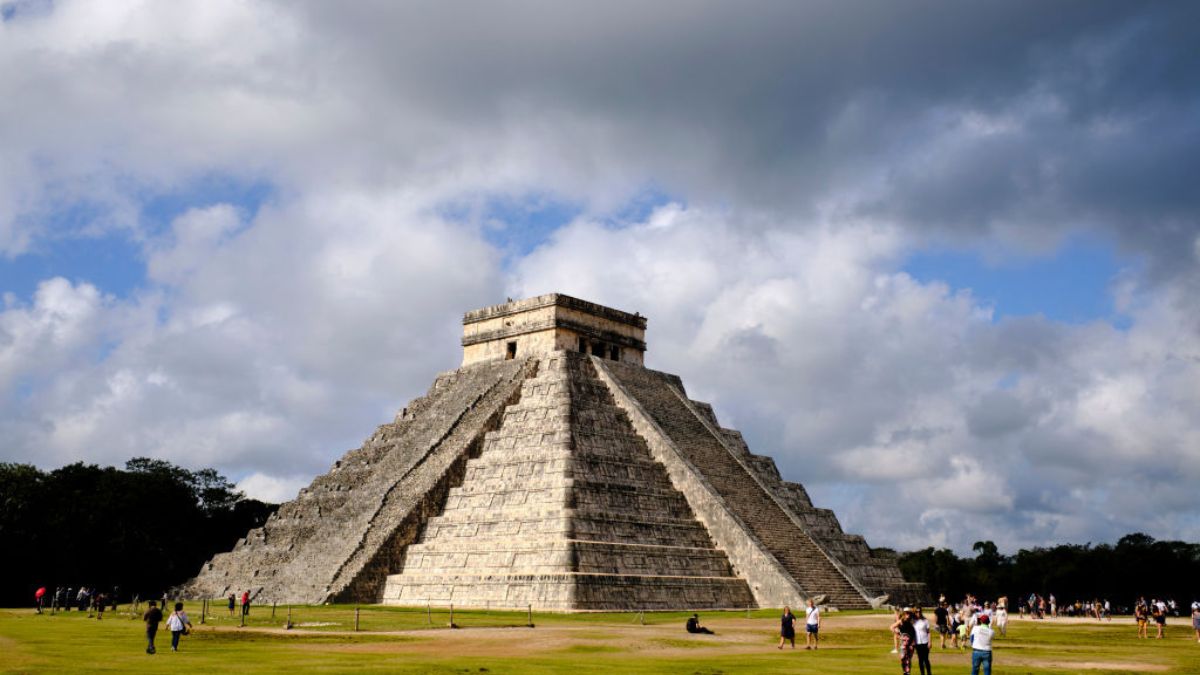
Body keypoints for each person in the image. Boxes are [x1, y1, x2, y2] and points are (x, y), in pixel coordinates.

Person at [892, 608, 916, 674]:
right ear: (904, 614)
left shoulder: (912, 621)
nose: (907, 614)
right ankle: (904, 671)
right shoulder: (901, 621)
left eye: (908, 613)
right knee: (902, 658)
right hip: (903, 643)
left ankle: (908, 672)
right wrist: (898, 635)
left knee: (908, 659)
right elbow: (892, 627)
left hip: (911, 643)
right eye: (906, 613)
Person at [913, 607, 932, 675]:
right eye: (917, 612)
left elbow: (928, 632)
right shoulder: (913, 621)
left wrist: (930, 642)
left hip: (925, 642)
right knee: (920, 660)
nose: (918, 613)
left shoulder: (925, 620)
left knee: (926, 659)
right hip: (917, 643)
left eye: (919, 612)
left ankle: (929, 673)